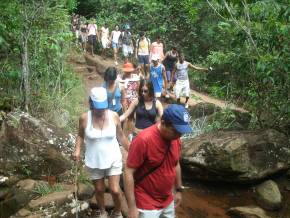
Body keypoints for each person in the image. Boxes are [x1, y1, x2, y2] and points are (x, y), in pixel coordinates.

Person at [124, 104, 192, 218]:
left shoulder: (176, 139)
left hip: (167, 199)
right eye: (176, 131)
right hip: (146, 201)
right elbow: (128, 172)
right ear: (163, 123)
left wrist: (179, 189)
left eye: (182, 132)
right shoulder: (143, 140)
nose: (179, 135)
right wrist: (132, 207)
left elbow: (175, 164)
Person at [73, 87, 130, 218]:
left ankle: (117, 211)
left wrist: (132, 151)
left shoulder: (114, 116)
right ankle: (103, 211)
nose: (101, 110)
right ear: (91, 103)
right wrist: (77, 150)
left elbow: (121, 136)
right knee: (99, 189)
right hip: (94, 159)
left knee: (115, 190)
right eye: (98, 107)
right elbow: (80, 135)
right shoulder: (84, 118)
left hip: (113, 158)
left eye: (103, 107)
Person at [119, 62, 140, 138]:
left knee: (132, 117)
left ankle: (131, 133)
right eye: (126, 71)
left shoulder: (135, 78)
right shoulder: (120, 78)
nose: (128, 73)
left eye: (129, 71)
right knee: (126, 117)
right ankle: (127, 134)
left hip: (133, 100)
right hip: (124, 100)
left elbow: (138, 89)